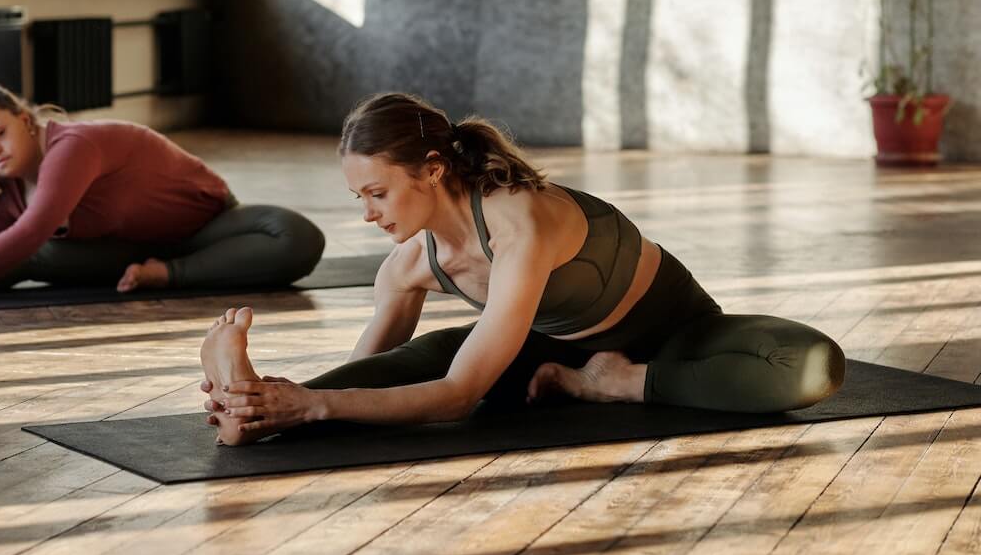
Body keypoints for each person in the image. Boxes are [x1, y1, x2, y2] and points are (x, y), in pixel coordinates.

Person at [198, 92, 846, 445]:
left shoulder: (520, 222)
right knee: (383, 381)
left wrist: (316, 404)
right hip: (541, 357)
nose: (367, 214)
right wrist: (292, 403)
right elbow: (369, 376)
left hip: (678, 336)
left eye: (377, 193)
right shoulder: (406, 269)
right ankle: (244, 410)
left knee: (807, 364)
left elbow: (455, 401)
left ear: (432, 169)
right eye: (357, 197)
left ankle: (614, 383)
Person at [0, 78, 325, 299]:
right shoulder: (13, 188)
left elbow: (35, 228)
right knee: (21, 253)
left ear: (25, 120)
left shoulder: (72, 146)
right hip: (121, 255)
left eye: (0, 133)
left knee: (297, 236)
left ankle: (168, 274)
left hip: (207, 230)